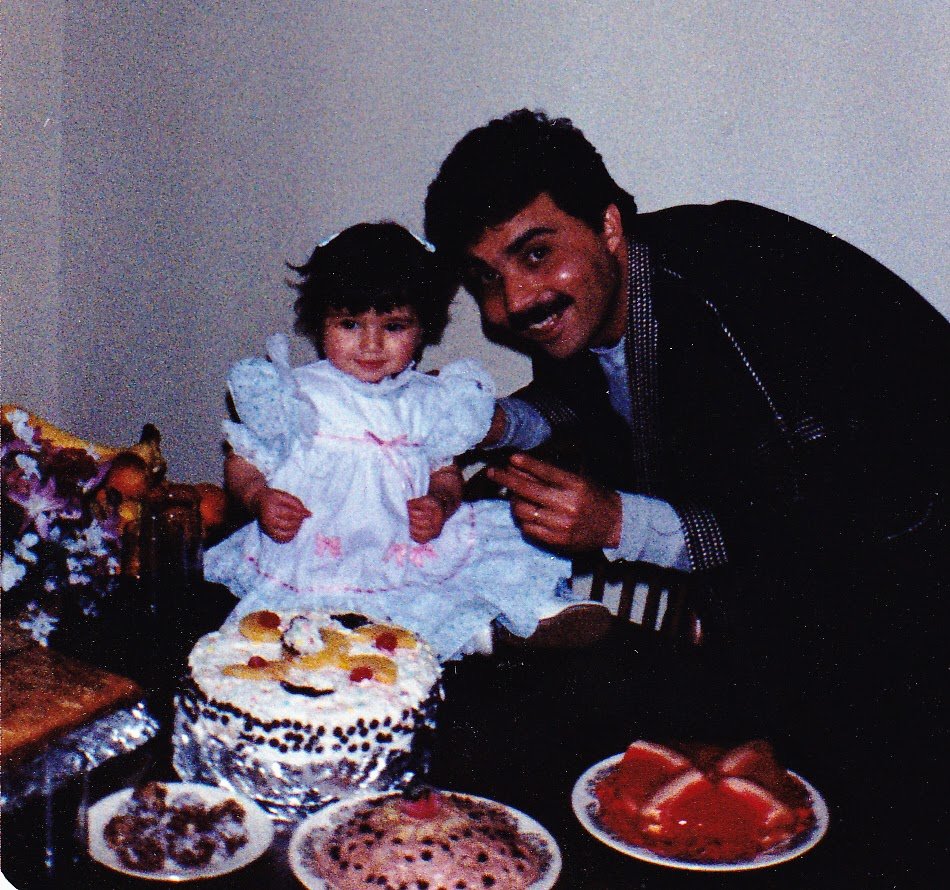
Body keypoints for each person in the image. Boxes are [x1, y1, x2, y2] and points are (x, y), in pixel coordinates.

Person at [424, 110, 948, 875]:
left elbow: (836, 516)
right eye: (486, 280)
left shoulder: (732, 294)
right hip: (810, 609)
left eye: (536, 254)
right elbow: (609, 394)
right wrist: (497, 422)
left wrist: (617, 524)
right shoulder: (626, 285)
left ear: (607, 225)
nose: (512, 303)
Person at [203, 222, 576, 661]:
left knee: (471, 565)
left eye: (394, 326)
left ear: (423, 329)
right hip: (314, 552)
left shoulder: (430, 399)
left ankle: (507, 619)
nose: (372, 344)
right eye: (349, 324)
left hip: (403, 547)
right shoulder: (298, 394)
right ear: (320, 323)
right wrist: (257, 497)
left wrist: (440, 502)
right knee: (304, 642)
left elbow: (446, 471)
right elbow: (245, 459)